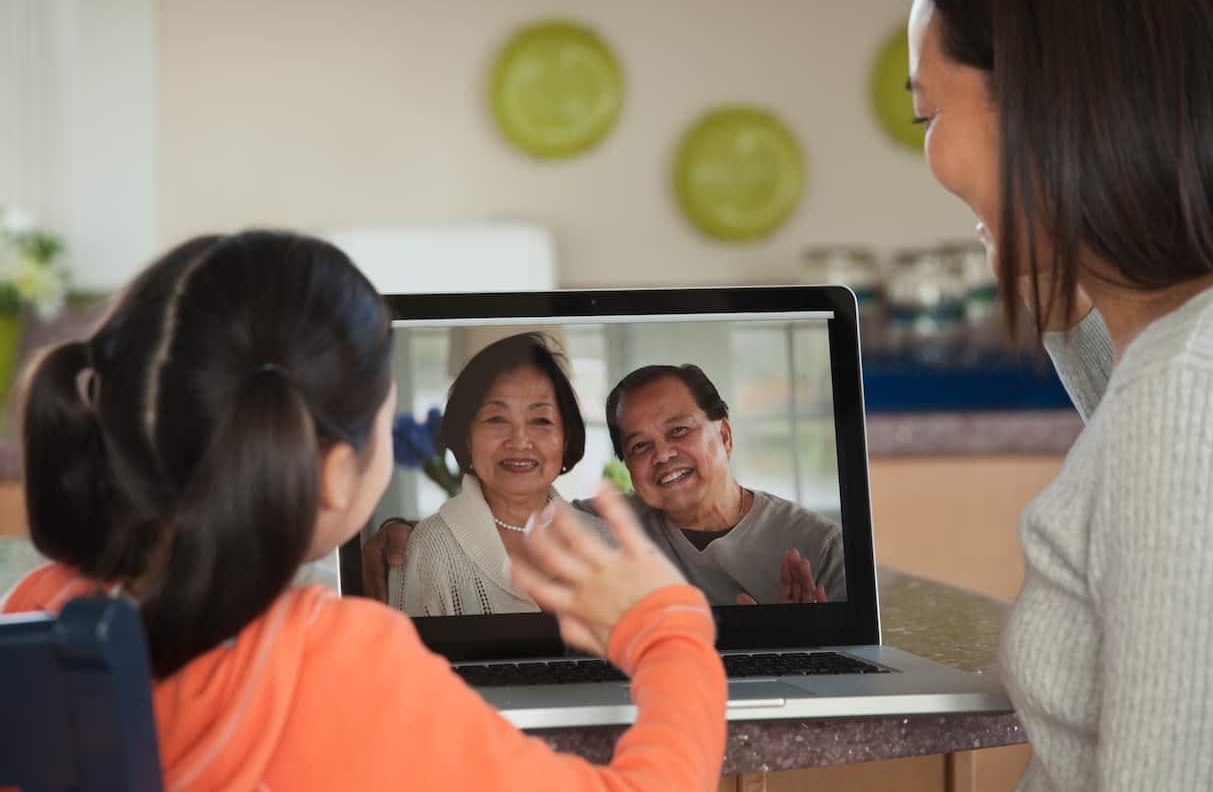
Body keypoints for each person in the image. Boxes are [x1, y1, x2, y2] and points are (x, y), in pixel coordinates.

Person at [2, 231, 726, 791]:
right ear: (336, 474)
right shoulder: (338, 662)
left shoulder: (40, 611)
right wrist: (667, 629)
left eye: (541, 419)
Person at [909, 0, 1213, 789]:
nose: (929, 159)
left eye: (927, 114)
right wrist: (1075, 302)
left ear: (1044, 103)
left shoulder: (1195, 393)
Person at [387, 332, 606, 616]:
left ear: (566, 437)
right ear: (466, 435)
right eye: (496, 419)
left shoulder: (607, 542)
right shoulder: (429, 548)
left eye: (541, 420)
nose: (519, 441)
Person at [605, 364, 845, 607]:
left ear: (724, 436)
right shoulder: (610, 525)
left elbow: (850, 640)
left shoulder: (821, 546)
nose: (662, 455)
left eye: (679, 430)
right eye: (639, 446)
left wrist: (801, 634)